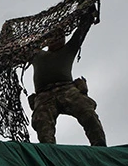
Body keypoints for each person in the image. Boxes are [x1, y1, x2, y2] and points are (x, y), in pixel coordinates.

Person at [29, 8, 106, 147]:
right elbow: (19, 49)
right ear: (47, 41)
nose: (58, 39)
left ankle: (99, 146)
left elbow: (81, 32)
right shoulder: (37, 55)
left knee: (88, 112)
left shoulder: (68, 49)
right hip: (44, 95)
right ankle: (50, 151)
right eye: (54, 36)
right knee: (42, 123)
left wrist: (87, 11)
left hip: (67, 89)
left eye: (61, 36)